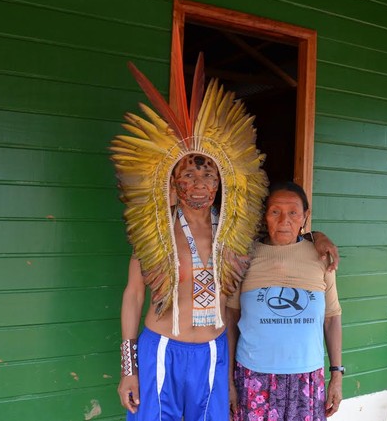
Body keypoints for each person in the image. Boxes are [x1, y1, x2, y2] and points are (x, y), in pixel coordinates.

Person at [111, 43, 340, 421]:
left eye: (207, 173)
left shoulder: (236, 231)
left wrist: (318, 236)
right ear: (173, 179)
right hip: (163, 349)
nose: (198, 184)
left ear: (221, 181)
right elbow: (134, 295)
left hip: (215, 354)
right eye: (188, 174)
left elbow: (282, 235)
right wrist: (128, 368)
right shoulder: (155, 228)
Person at [227, 181, 343, 421]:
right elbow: (230, 320)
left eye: (293, 213)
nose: (284, 221)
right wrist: (227, 380)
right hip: (253, 376)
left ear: (305, 216)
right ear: (264, 216)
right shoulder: (244, 257)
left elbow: (331, 318)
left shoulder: (322, 256)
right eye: (275, 212)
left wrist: (337, 377)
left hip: (307, 378)